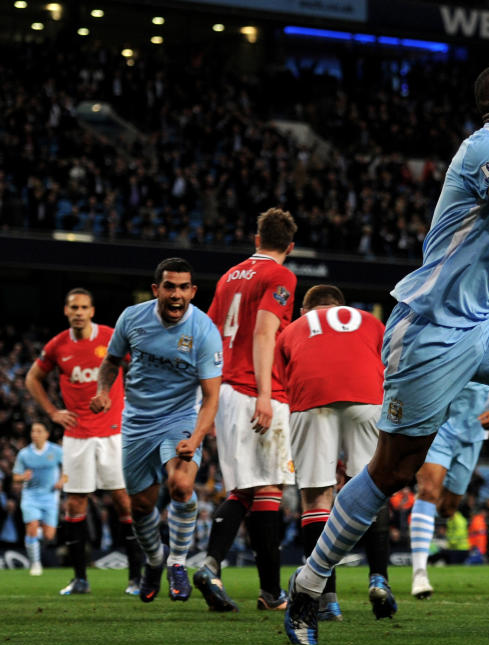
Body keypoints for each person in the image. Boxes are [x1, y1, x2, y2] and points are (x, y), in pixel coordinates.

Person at [284, 59, 489, 645]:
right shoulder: (484, 148)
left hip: (488, 320)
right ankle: (307, 584)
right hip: (431, 328)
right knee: (393, 471)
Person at [90, 257, 222, 604]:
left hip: (180, 417)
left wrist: (195, 438)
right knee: (141, 506)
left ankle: (177, 562)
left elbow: (210, 398)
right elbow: (111, 362)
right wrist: (103, 391)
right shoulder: (132, 318)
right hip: (137, 421)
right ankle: (153, 561)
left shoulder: (205, 331)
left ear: (193, 291)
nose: (176, 294)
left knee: (181, 485)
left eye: (183, 287)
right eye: (169, 286)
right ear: (156, 289)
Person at [192, 208, 297, 613]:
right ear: (289, 246)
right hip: (257, 389)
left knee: (247, 489)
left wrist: (211, 399)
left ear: (256, 239)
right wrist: (266, 395)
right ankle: (266, 589)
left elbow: (210, 338)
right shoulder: (281, 276)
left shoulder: (227, 277)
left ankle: (222, 569)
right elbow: (265, 331)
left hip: (227, 390)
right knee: (269, 488)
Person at [276, 284, 394, 621]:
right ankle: (379, 578)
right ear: (342, 306)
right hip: (367, 397)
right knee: (371, 489)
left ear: (305, 310)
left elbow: (287, 373)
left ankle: (326, 599)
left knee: (317, 499)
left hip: (312, 399)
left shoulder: (293, 329)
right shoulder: (371, 321)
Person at [25, 287, 142, 596]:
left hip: (114, 431)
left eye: (84, 307)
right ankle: (80, 579)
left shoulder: (110, 336)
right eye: (73, 307)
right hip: (77, 435)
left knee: (122, 500)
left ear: (92, 311)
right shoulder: (58, 345)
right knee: (75, 502)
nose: (78, 312)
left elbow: (139, 362)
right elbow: (31, 378)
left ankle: (135, 578)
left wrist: (133, 400)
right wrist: (52, 412)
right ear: (66, 311)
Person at [410, 382, 489, 599]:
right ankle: (419, 573)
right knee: (428, 491)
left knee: (448, 510)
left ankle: (430, 511)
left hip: (473, 434)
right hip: (438, 426)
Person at [13, 421, 64, 576]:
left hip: (50, 497)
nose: (35, 434)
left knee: (49, 535)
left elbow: (68, 470)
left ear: (47, 434)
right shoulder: (24, 454)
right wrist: (23, 477)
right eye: (33, 431)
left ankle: (34, 537)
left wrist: (62, 481)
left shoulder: (56, 451)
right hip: (31, 496)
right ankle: (35, 564)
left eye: (39, 431)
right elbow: (15, 477)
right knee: (32, 526)